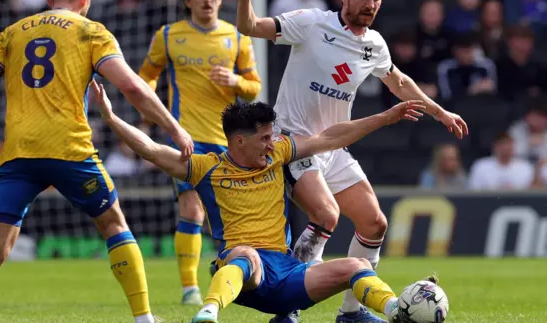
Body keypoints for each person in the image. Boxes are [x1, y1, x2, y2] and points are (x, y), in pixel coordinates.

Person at [0, 0, 193, 323]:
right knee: (114, 224)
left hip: (18, 154)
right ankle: (143, 318)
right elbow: (131, 87)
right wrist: (174, 129)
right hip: (71, 150)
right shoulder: (91, 31)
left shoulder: (12, 33)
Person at [89, 79, 433, 323]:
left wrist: (385, 118)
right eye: (265, 137)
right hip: (244, 275)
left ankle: (397, 312)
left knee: (356, 267)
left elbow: (330, 136)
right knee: (246, 255)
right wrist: (110, 117)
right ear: (239, 141)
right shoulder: (206, 168)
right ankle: (208, 313)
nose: (273, 143)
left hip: (287, 272)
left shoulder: (279, 153)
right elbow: (151, 150)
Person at [236, 0, 469, 322]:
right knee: (326, 215)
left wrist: (439, 112)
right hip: (294, 144)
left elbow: (399, 81)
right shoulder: (312, 23)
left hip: (333, 147)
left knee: (374, 223)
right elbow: (249, 27)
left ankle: (351, 312)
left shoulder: (374, 44)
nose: (371, 4)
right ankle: (288, 307)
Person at [138, 0, 261, 305]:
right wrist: (149, 107)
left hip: (227, 142)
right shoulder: (169, 35)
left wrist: (235, 83)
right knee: (191, 210)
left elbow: (254, 89)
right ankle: (190, 289)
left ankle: (230, 273)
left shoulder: (237, 37)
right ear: (187, 1)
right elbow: (146, 76)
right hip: (186, 138)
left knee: (226, 219)